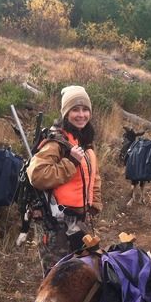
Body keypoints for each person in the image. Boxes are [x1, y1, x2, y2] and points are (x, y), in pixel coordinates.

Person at [27, 85, 102, 274]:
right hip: (55, 225)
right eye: (75, 109)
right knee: (57, 282)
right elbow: (37, 175)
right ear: (66, 113)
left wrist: (94, 204)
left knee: (83, 278)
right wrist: (70, 163)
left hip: (79, 221)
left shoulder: (83, 140)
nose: (81, 114)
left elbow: (94, 176)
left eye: (85, 109)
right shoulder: (56, 142)